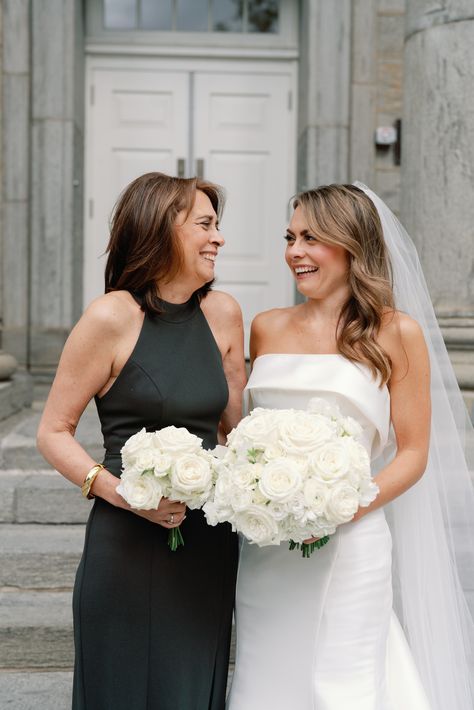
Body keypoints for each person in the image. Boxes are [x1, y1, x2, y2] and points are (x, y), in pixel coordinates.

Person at [227, 183, 474, 710]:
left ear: (352, 245)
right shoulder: (265, 327)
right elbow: (249, 436)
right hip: (268, 546)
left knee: (346, 681)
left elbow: (413, 453)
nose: (295, 251)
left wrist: (337, 507)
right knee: (265, 674)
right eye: (290, 238)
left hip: (352, 539)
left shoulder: (396, 333)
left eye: (311, 238)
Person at [37, 172, 247, 710]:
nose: (218, 237)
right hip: (126, 541)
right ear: (159, 228)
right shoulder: (110, 317)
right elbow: (52, 432)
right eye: (205, 224)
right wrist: (121, 493)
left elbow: (236, 430)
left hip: (206, 541)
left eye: (218, 225)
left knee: (191, 687)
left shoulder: (223, 314)